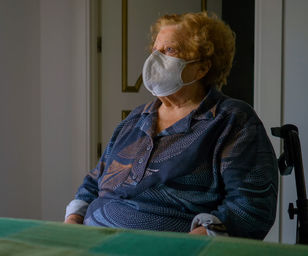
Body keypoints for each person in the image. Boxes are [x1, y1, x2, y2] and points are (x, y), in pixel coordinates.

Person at [64, 12, 278, 240]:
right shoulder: (136, 118)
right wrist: (72, 223)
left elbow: (251, 207)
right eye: (155, 51)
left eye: (170, 50)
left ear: (202, 68)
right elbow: (93, 182)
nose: (155, 60)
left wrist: (197, 238)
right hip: (92, 242)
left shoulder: (232, 120)